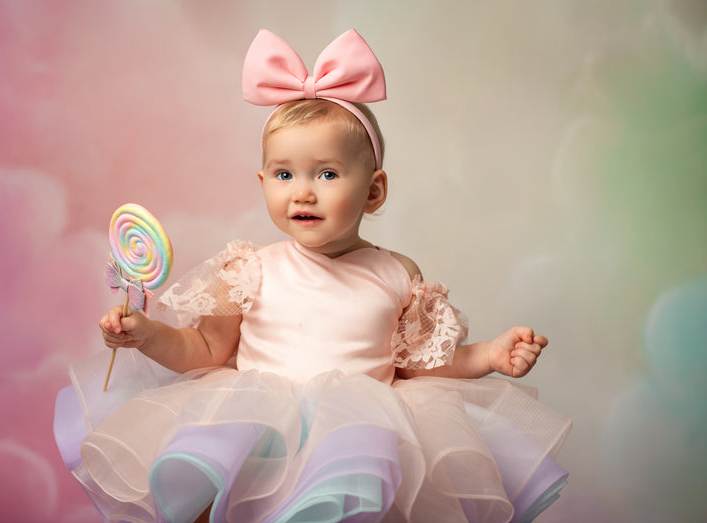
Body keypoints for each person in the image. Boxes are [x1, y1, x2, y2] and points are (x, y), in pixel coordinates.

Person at [54, 29, 571, 523]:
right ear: (263, 182)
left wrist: (487, 356)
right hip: (258, 436)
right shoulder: (250, 268)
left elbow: (417, 365)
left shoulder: (397, 273)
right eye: (284, 174)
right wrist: (147, 335)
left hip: (359, 443)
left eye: (327, 173)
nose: (302, 192)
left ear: (374, 190)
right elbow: (206, 349)